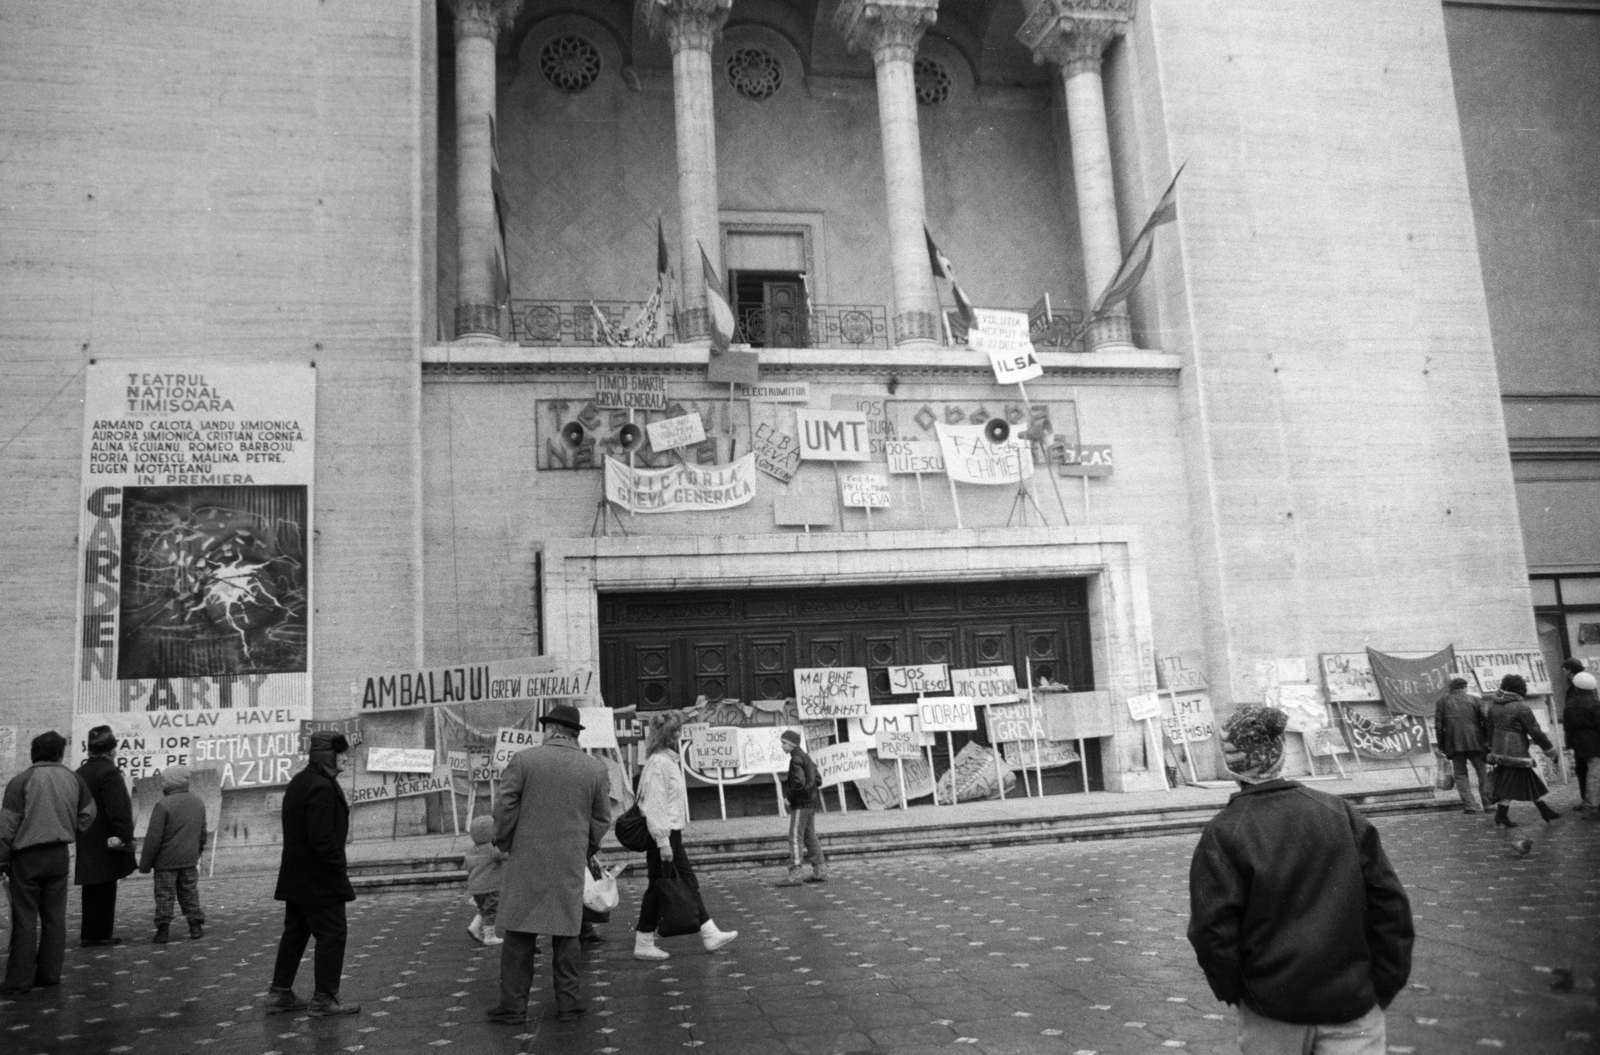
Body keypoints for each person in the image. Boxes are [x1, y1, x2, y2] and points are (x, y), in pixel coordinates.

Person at [1189, 705, 1413, 1055]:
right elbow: (1390, 907)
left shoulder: (1225, 832)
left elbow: (1211, 930)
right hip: (1350, 1000)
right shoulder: (1339, 813)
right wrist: (1382, 983)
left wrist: (1237, 991)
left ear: (1232, 765)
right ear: (1281, 754)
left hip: (1271, 1007)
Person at [487, 704, 611, 1026]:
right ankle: (569, 1003)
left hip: (527, 857)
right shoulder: (594, 768)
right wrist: (586, 847)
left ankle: (513, 1006)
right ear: (573, 734)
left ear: (551, 730)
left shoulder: (524, 760)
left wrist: (504, 839)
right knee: (567, 931)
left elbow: (505, 805)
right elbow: (601, 818)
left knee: (518, 932)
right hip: (569, 859)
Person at [632, 712, 737, 962]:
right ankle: (644, 941)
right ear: (668, 736)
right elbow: (654, 805)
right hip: (665, 835)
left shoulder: (666, 761)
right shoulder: (659, 764)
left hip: (671, 834)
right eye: (675, 732)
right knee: (659, 886)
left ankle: (709, 932)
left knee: (682, 882)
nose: (679, 736)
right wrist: (663, 842)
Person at [268, 731, 359, 1016]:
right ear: (327, 757)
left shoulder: (300, 781)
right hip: (319, 879)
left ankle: (279, 994)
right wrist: (338, 872)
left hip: (297, 877)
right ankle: (324, 999)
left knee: (295, 933)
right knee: (333, 934)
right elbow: (322, 839)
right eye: (341, 753)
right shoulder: (321, 786)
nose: (346, 758)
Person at [0, 731, 97, 995]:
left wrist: (2, 858)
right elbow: (89, 813)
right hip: (59, 856)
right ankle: (50, 974)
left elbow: (7, 827)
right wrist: (69, 831)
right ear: (59, 753)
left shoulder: (21, 782)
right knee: (55, 918)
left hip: (26, 859)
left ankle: (19, 980)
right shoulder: (74, 779)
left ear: (34, 753)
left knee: (25, 918)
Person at [75, 725, 136, 947]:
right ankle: (99, 935)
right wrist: (126, 836)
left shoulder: (80, 773)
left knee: (92, 887)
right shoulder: (109, 772)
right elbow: (117, 809)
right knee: (105, 886)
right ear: (112, 750)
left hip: (86, 836)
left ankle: (91, 933)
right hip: (106, 838)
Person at [136, 765, 208, 943]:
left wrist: (145, 864)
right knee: (190, 894)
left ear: (172, 782)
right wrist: (196, 853)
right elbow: (202, 833)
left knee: (164, 896)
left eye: (163, 780)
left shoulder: (163, 805)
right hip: (189, 862)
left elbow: (153, 838)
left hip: (165, 864)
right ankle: (195, 927)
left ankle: (162, 931)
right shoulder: (198, 802)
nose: (161, 783)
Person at [1484, 673, 1561, 826]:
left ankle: (1543, 810)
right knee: (1512, 783)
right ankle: (1503, 815)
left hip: (1499, 750)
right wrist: (1549, 749)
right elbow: (1535, 732)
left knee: (1525, 780)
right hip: (1516, 751)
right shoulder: (1521, 707)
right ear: (1519, 689)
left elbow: (1490, 729)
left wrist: (1491, 748)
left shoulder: (1493, 706)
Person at [774, 729, 826, 887]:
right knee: (810, 837)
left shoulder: (795, 759)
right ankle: (820, 871)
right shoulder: (806, 757)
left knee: (795, 837)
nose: (782, 746)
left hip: (801, 805)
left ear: (791, 744)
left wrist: (790, 798)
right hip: (811, 803)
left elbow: (798, 783)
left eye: (784, 743)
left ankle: (795, 873)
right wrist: (809, 791)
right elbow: (818, 779)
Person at [1433, 676, 1490, 812]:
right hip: (1476, 741)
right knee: (1483, 773)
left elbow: (1438, 726)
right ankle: (1488, 804)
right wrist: (1487, 739)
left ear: (1450, 689)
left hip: (1453, 743)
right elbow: (1486, 719)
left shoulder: (1442, 702)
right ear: (1464, 687)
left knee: (1460, 775)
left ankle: (1470, 805)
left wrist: (1442, 745)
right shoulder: (1476, 700)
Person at [1560, 671, 1600, 819]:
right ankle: (1592, 807)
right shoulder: (1594, 704)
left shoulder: (1569, 704)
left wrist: (1569, 743)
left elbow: (1567, 726)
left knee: (1586, 773)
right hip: (1594, 742)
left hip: (1578, 742)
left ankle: (1590, 803)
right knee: (1594, 774)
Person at [463, 815, 506, 946]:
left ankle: (474, 927)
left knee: (484, 909)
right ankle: (489, 937)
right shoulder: (492, 848)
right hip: (490, 887)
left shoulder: (471, 850)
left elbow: (467, 866)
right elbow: (505, 855)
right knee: (491, 910)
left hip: (475, 888)